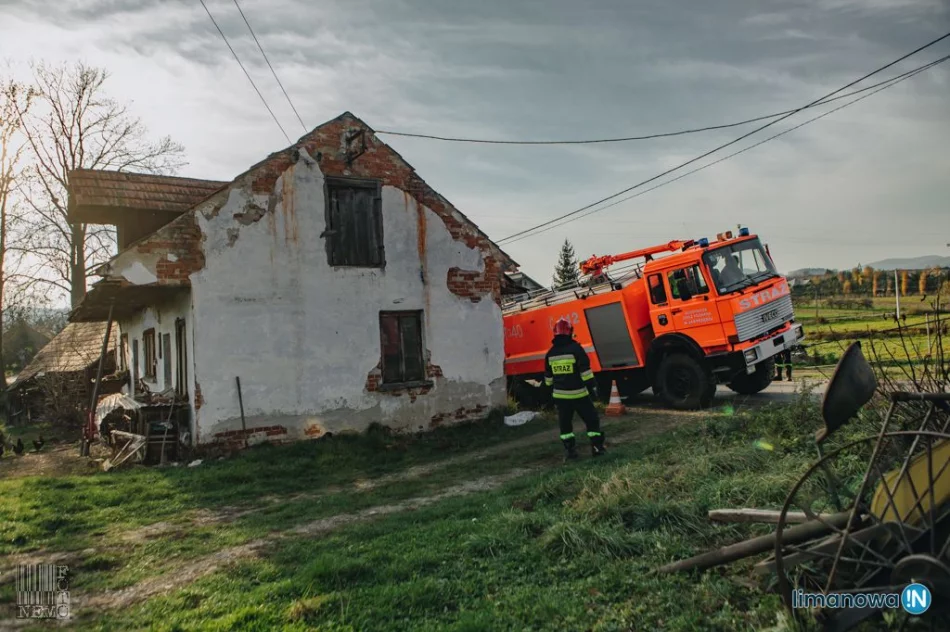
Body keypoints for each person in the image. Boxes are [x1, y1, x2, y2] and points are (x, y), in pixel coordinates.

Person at [544, 317, 606, 460]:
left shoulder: (550, 354)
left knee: (565, 426)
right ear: (570, 332)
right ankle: (597, 448)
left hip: (560, 397)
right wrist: (593, 389)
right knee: (592, 420)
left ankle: (570, 452)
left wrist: (551, 394)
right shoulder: (576, 349)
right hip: (579, 395)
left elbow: (548, 380)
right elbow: (585, 373)